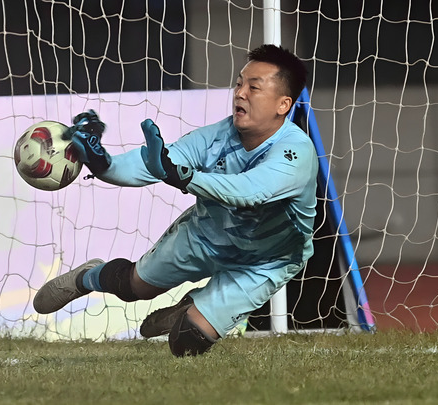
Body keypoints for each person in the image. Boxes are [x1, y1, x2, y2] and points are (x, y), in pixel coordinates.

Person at [33, 44, 318, 357]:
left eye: (254, 87)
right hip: (205, 235)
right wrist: (105, 164)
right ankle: (85, 278)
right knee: (134, 287)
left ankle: (188, 311)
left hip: (268, 260)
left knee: (186, 344)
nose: (240, 93)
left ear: (283, 104)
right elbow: (155, 164)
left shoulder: (296, 152)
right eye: (239, 84)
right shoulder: (214, 137)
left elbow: (248, 192)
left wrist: (183, 177)